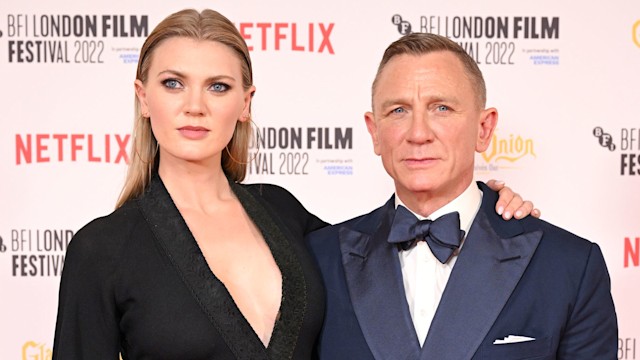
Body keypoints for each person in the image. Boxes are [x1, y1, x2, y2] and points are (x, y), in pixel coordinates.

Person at [52, 9, 539, 360]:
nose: (194, 105)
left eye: (218, 86)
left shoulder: (284, 213)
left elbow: (398, 244)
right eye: (173, 83)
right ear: (143, 97)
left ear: (245, 103)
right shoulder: (102, 250)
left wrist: (487, 206)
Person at [307, 33, 617, 360]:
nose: (418, 134)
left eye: (441, 108)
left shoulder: (567, 265)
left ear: (483, 129)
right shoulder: (318, 260)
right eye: (398, 110)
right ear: (375, 132)